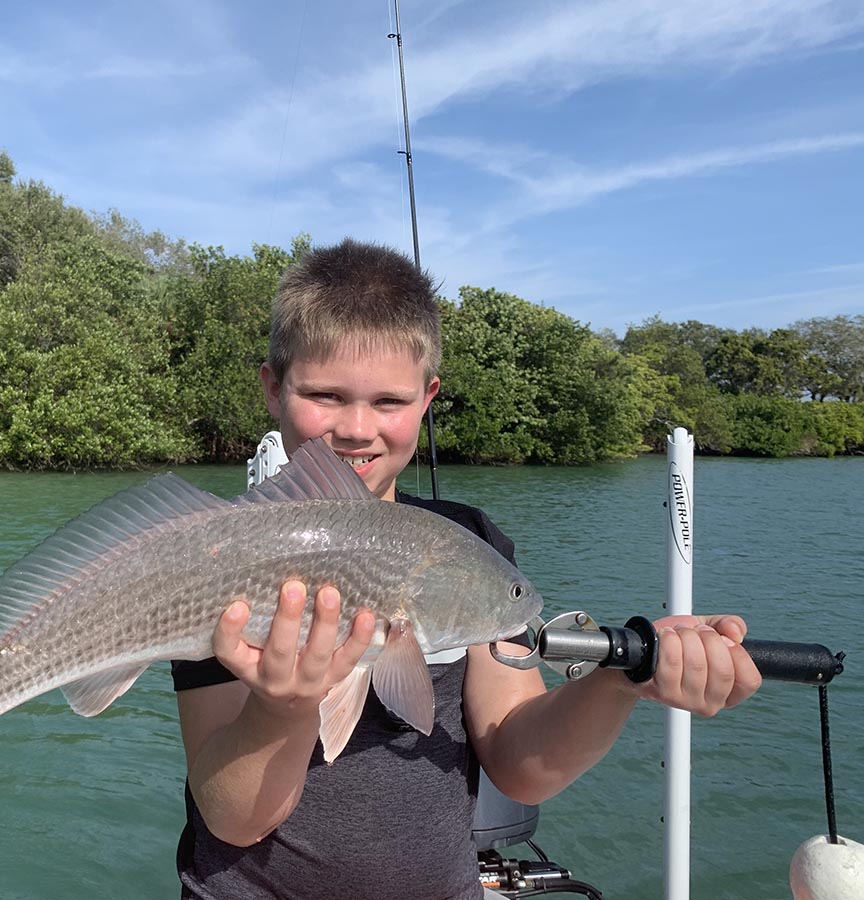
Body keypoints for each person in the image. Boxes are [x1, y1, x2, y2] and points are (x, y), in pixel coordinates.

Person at [170, 238, 762, 900]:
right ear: (273, 388)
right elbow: (235, 816)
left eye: (389, 402)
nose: (357, 428)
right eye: (325, 395)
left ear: (428, 399)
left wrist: (623, 682)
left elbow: (521, 763)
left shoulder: (470, 543)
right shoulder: (220, 556)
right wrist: (282, 709)